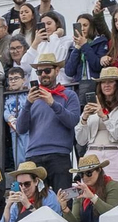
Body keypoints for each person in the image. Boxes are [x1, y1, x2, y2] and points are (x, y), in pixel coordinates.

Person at [14, 52, 81, 192]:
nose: (43, 74)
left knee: (64, 201)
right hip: (34, 157)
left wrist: (52, 103)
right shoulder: (32, 98)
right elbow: (20, 128)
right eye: (39, 71)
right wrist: (27, 103)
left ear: (57, 71)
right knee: (35, 204)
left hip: (59, 156)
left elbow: (72, 121)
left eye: (47, 70)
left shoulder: (69, 95)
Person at [75, 67, 118, 187]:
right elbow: (80, 140)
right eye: (103, 82)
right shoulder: (92, 106)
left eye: (110, 81)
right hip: (91, 156)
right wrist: (84, 118)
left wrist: (104, 116)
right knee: (89, 201)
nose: (106, 85)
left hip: (116, 155)